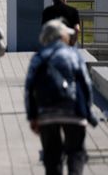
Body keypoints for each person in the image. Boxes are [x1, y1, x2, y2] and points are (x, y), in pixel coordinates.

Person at [25, 20, 98, 175]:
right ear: (61, 36)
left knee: (52, 157)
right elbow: (86, 84)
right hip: (74, 110)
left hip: (47, 112)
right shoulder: (73, 55)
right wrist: (88, 112)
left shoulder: (39, 57)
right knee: (76, 153)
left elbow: (30, 88)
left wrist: (33, 116)